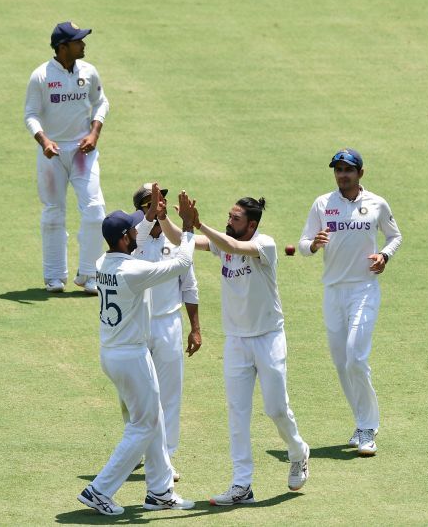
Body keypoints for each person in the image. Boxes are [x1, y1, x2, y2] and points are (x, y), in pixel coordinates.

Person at [159, 196, 310, 506]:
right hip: (236, 342)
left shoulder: (264, 244)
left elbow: (234, 247)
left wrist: (199, 223)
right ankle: (242, 484)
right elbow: (180, 239)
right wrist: (163, 218)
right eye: (229, 216)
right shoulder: (224, 241)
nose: (229, 222)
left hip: (268, 338)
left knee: (276, 409)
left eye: (235, 219)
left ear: (251, 225)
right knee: (237, 414)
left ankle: (297, 451)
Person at [77, 185, 197, 516]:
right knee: (143, 425)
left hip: (113, 352)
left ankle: (159, 491)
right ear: (125, 239)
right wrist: (186, 226)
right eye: (132, 230)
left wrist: (151, 216)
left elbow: (137, 237)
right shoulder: (134, 271)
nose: (137, 231)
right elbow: (182, 261)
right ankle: (99, 490)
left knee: (152, 417)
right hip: (131, 356)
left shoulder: (103, 262)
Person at [298, 148, 403, 456]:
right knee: (342, 362)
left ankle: (369, 428)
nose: (342, 175)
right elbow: (303, 245)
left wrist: (384, 256)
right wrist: (314, 245)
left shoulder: (376, 204)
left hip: (364, 288)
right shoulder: (323, 203)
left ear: (360, 173)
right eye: (338, 169)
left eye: (348, 169)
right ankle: (360, 423)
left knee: (356, 356)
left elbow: (395, 236)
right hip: (333, 290)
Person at [24, 21, 109, 295]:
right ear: (63, 47)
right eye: (77, 41)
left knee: (95, 210)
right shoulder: (41, 76)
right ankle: (54, 276)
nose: (83, 44)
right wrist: (44, 140)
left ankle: (90, 274)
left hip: (84, 151)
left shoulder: (89, 71)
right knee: (53, 213)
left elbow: (101, 102)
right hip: (53, 154)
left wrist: (94, 132)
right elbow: (31, 115)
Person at [123, 183, 201, 481]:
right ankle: (135, 450)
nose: (158, 205)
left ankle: (166, 456)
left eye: (161, 200)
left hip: (169, 323)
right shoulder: (133, 241)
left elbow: (189, 286)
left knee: (169, 393)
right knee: (135, 395)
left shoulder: (176, 242)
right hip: (137, 324)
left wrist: (195, 328)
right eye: (150, 203)